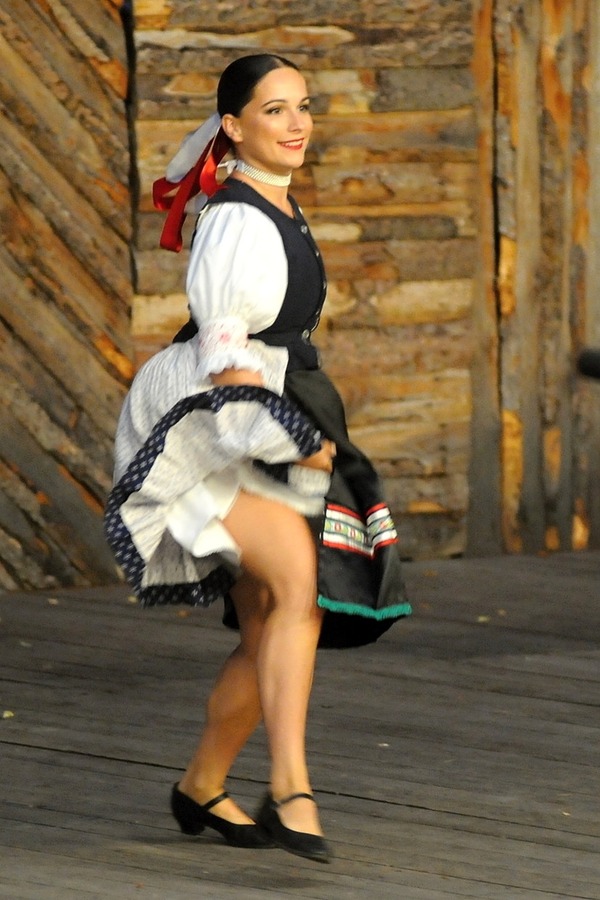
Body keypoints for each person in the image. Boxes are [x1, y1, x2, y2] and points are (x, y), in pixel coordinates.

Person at [105, 53, 411, 864]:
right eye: (275, 110)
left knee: (273, 616)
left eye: (302, 106)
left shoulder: (274, 198)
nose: (296, 123)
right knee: (295, 590)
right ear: (234, 127)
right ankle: (292, 788)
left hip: (257, 411)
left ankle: (203, 784)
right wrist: (288, 438)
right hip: (203, 426)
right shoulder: (237, 218)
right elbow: (225, 350)